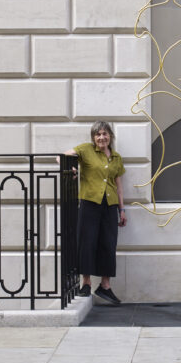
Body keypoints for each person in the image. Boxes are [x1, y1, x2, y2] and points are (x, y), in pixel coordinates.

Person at [62, 121, 127, 305]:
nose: (101, 137)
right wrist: (71, 166)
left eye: (104, 134)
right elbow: (61, 157)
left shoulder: (116, 157)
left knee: (108, 243)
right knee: (87, 242)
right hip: (89, 203)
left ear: (110, 137)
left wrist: (122, 209)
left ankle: (105, 286)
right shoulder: (85, 150)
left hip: (110, 205)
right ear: (93, 138)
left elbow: (119, 186)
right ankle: (86, 283)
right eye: (97, 134)